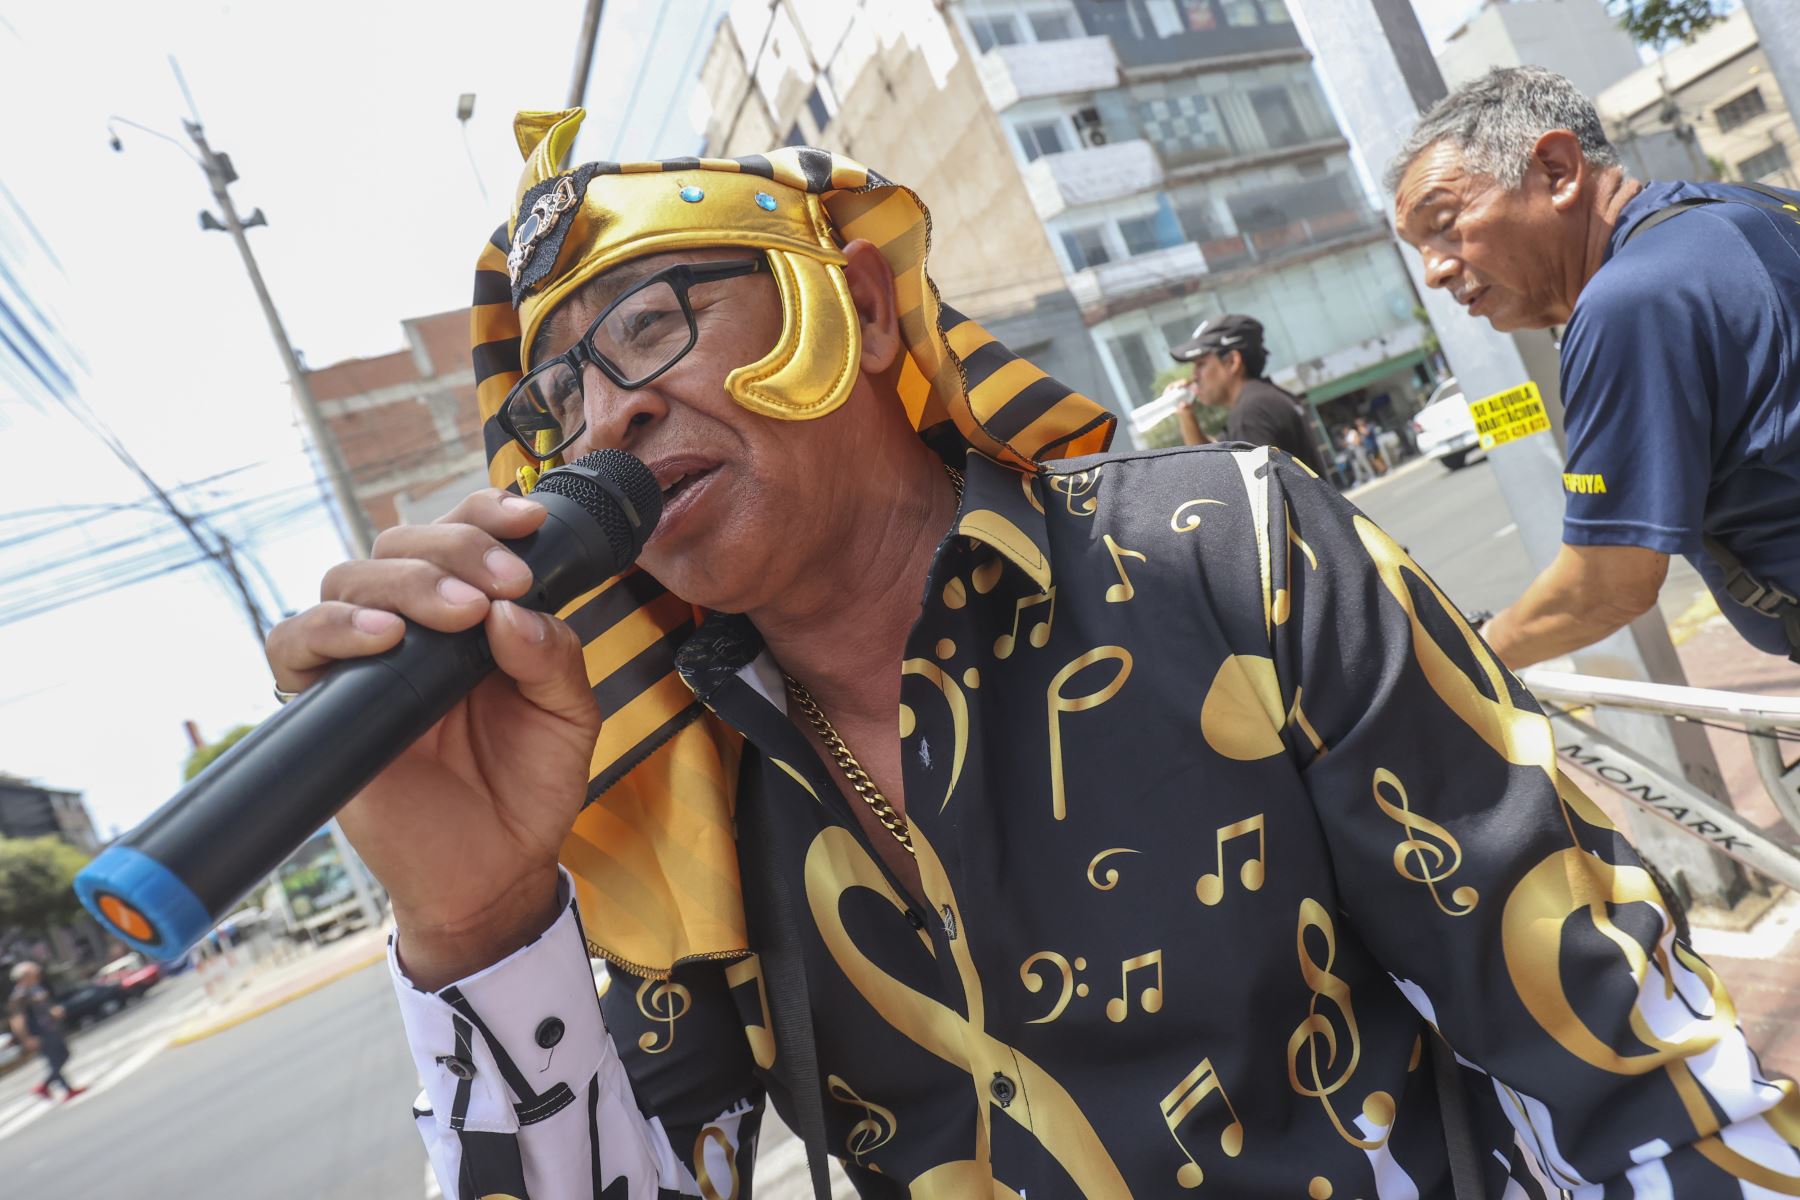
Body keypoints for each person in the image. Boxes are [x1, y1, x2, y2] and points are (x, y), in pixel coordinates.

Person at [267, 110, 1800, 1198]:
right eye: (558, 396)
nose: (606, 417)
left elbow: (1619, 1059)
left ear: (857, 308)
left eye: (654, 323)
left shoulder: (1236, 548)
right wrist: (475, 928)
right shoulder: (664, 785)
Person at [1389, 66, 1800, 668]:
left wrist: (1467, 658)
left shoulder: (1631, 300)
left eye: (1445, 226)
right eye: (1419, 251)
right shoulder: (1752, 204)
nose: (1434, 272)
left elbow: (1606, 585)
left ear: (1557, 171)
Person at [1169, 313, 1327, 475]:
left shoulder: (1252, 411)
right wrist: (1185, 413)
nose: (1194, 375)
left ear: (1232, 362)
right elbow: (1212, 459)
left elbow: (1220, 480)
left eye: (1201, 364)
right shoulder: (1264, 398)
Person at [6, 962, 85, 1103]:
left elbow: (43, 1008)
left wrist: (54, 1012)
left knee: (63, 1054)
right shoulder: (19, 996)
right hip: (38, 1033)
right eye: (33, 974)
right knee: (55, 1059)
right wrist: (26, 1038)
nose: (37, 976)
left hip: (50, 1029)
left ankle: (48, 1086)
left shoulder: (35, 989)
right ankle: (59, 1088)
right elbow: (17, 1020)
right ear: (24, 977)